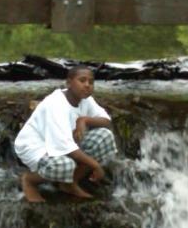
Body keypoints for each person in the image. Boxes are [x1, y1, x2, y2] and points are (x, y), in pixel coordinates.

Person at [14, 65, 117, 202]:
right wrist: (96, 166)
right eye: (82, 80)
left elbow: (106, 122)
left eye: (91, 82)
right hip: (35, 146)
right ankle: (30, 180)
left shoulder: (85, 99)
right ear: (69, 83)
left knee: (105, 137)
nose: (87, 85)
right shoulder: (56, 103)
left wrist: (84, 119)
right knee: (65, 165)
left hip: (64, 143)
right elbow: (67, 148)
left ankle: (69, 183)